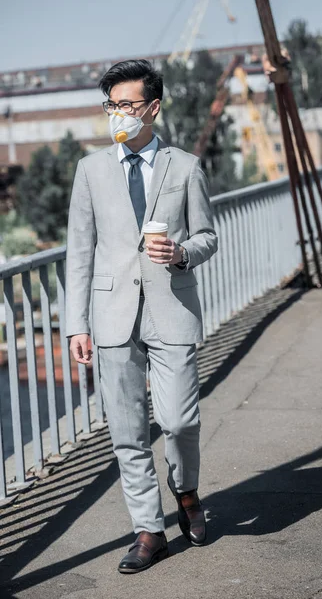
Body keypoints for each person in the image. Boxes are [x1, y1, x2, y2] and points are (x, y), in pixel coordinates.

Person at [65, 59, 218, 574]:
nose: (117, 115)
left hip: (171, 308)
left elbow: (207, 238)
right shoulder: (90, 170)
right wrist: (76, 325)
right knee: (127, 431)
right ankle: (148, 531)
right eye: (111, 105)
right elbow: (79, 252)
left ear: (153, 107)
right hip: (111, 315)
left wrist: (180, 253)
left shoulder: (186, 166)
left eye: (127, 105)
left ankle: (188, 493)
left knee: (178, 420)